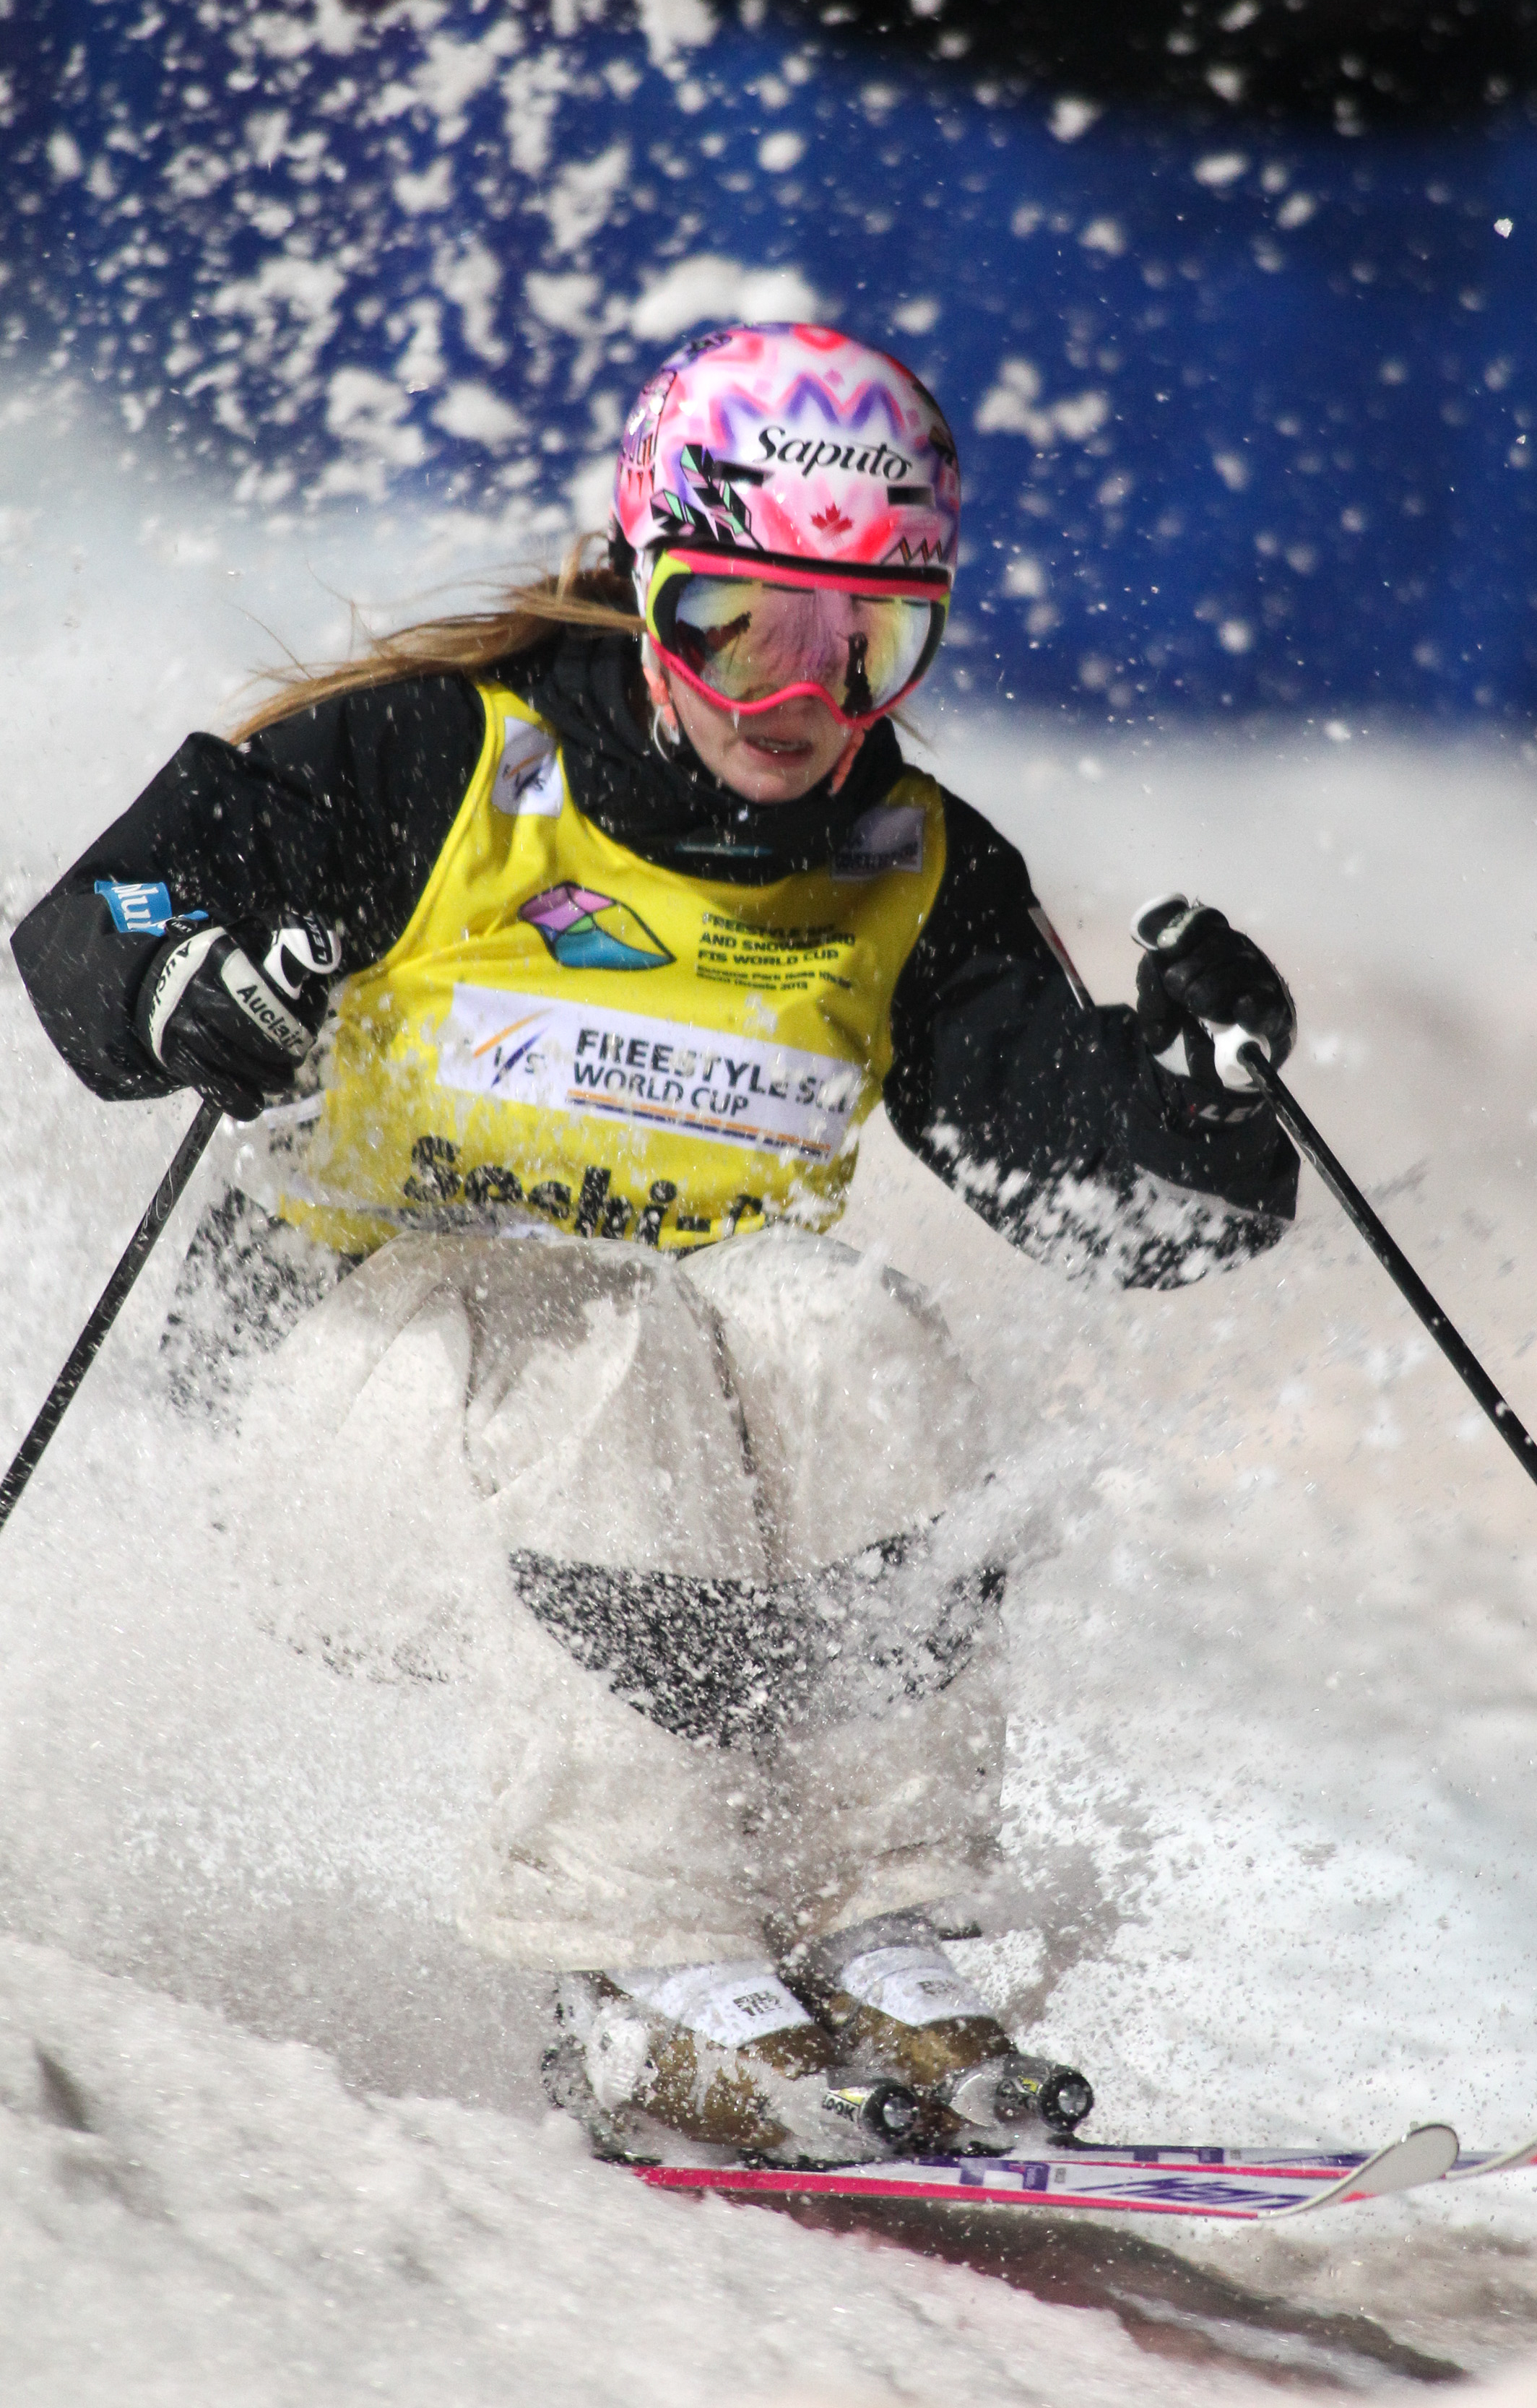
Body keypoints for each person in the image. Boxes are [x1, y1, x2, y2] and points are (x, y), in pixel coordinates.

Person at [12, 322, 1301, 2167]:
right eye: (740, 625)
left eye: (867, 641)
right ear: (641, 582)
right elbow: (99, 922)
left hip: (663, 1468)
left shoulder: (907, 861)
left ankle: (879, 1927)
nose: (798, 693)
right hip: (328, 1422)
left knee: (849, 1334)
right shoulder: (440, 754)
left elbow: (1076, 1190)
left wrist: (1199, 1107)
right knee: (599, 1332)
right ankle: (637, 1970)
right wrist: (191, 989)